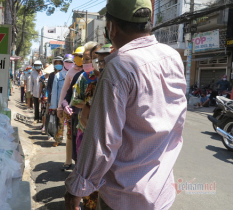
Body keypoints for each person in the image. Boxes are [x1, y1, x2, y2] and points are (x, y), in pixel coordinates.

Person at [65, 0, 187, 209]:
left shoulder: (118, 68)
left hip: (124, 198)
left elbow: (102, 142)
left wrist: (77, 189)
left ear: (111, 27)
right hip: (162, 194)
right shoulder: (172, 57)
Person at [71, 43, 102, 158]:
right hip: (85, 128)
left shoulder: (111, 76)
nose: (98, 60)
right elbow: (75, 100)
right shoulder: (84, 77)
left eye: (99, 57)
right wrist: (89, 105)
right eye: (94, 58)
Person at [61, 47, 85, 164]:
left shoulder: (96, 75)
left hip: (88, 116)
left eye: (81, 56)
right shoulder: (73, 74)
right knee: (71, 137)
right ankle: (68, 161)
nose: (79, 58)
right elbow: (66, 91)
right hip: (73, 112)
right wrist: (62, 107)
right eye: (77, 56)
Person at [50, 56, 66, 147]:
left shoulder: (75, 73)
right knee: (60, 123)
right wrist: (53, 106)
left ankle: (73, 143)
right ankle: (58, 140)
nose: (59, 65)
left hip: (72, 104)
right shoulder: (56, 75)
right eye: (57, 64)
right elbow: (54, 91)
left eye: (60, 63)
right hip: (60, 104)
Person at [40, 64, 54, 134]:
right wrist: (42, 96)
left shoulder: (54, 77)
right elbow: (43, 88)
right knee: (44, 112)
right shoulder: (43, 78)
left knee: (50, 113)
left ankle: (48, 128)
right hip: (45, 98)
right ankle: (44, 125)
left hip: (52, 98)